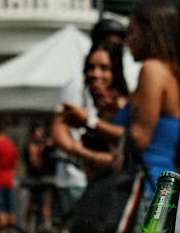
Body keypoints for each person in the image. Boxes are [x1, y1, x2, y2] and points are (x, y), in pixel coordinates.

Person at [60, 0, 180, 233]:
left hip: (149, 199)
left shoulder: (152, 69)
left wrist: (88, 121)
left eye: (132, 31)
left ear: (150, 31)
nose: (127, 40)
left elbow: (139, 138)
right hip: (163, 198)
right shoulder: (171, 71)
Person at [51, 16, 127, 218]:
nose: (96, 74)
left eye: (117, 45)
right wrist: (80, 152)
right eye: (108, 42)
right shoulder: (79, 84)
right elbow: (59, 127)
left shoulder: (119, 93)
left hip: (110, 183)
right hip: (78, 179)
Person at [53, 41, 129, 183]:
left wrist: (82, 152)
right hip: (90, 185)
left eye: (104, 68)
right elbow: (59, 128)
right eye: (91, 67)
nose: (95, 74)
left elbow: (117, 158)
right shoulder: (84, 97)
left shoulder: (122, 106)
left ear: (115, 72)